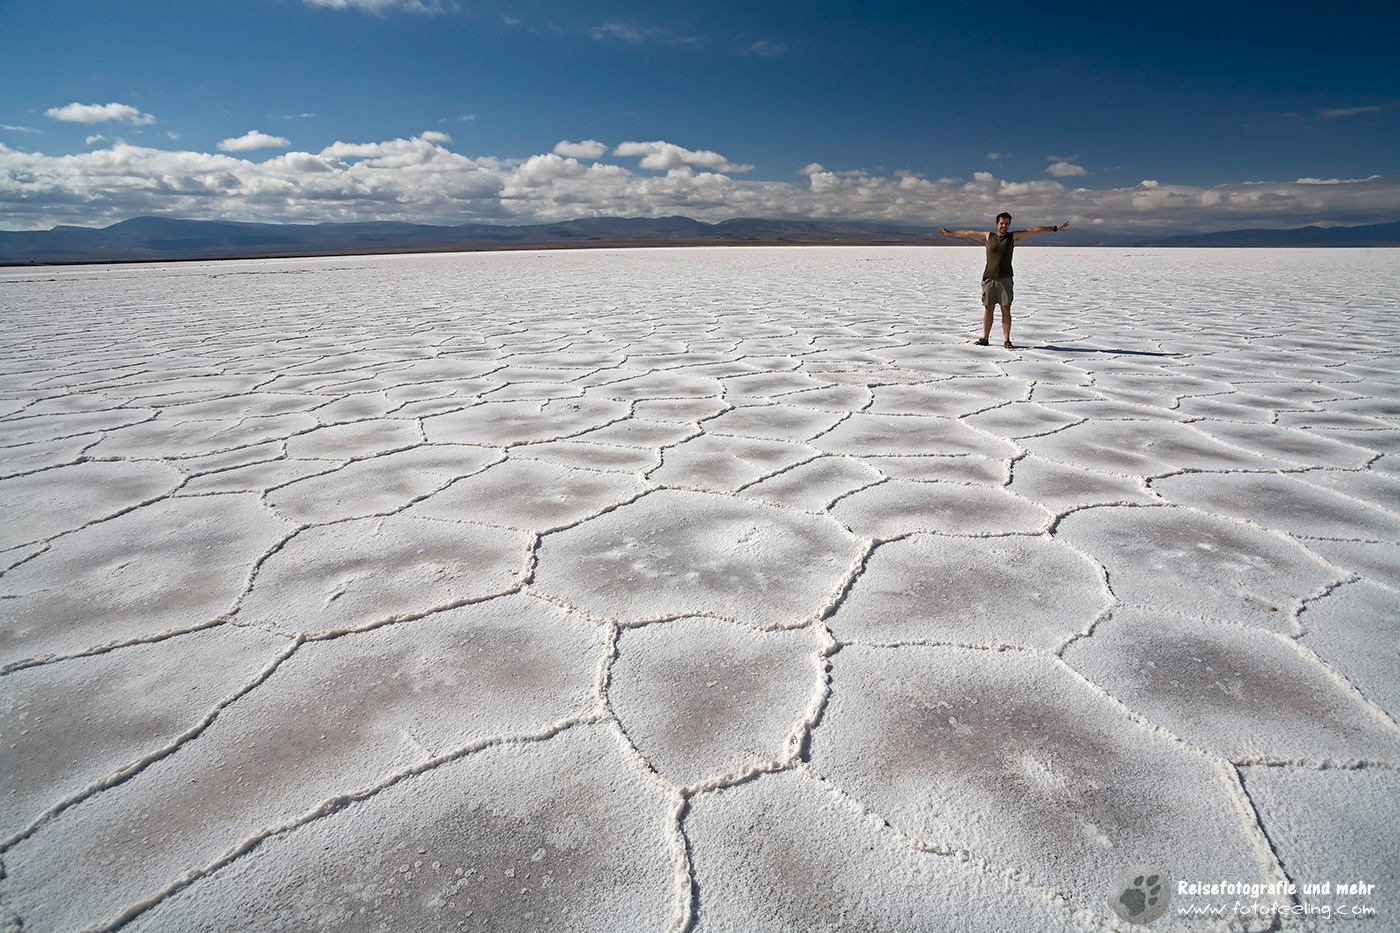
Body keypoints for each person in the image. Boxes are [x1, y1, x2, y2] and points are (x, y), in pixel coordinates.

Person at [938, 213, 1070, 349]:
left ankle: (1007, 340)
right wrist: (951, 233)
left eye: (1007, 223)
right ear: (997, 224)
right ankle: (985, 338)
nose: (1004, 226)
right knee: (988, 309)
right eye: (1002, 223)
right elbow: (967, 233)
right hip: (989, 278)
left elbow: (1034, 230)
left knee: (1005, 309)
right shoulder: (988, 237)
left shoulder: (1012, 237)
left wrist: (1054, 228)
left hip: (1005, 278)